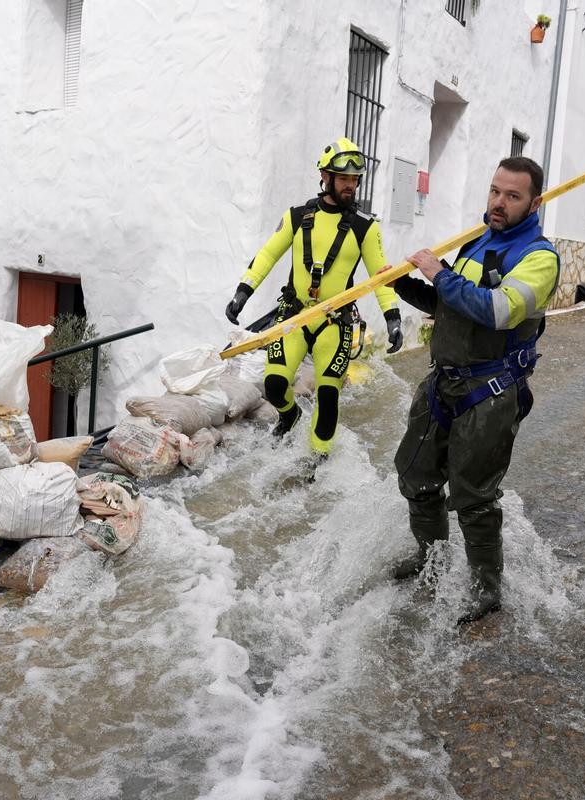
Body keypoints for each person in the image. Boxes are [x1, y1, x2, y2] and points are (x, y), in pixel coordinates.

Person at [387, 156, 560, 625]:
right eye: (495, 191)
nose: (499, 203)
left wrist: (440, 273)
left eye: (513, 195)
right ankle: (431, 560)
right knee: (415, 476)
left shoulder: (540, 258)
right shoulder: (477, 240)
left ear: (534, 202)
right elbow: (451, 305)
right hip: (443, 381)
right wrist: (405, 284)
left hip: (491, 391)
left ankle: (486, 588)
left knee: (474, 495)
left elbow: (498, 311)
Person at [223, 137, 402, 464]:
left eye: (355, 179)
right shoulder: (296, 216)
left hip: (336, 323)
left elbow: (382, 277)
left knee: (329, 393)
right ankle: (289, 416)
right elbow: (266, 256)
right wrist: (242, 292)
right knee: (274, 384)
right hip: (292, 316)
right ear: (325, 176)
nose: (351, 185)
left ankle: (317, 460)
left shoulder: (365, 228)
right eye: (344, 178)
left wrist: (392, 317)